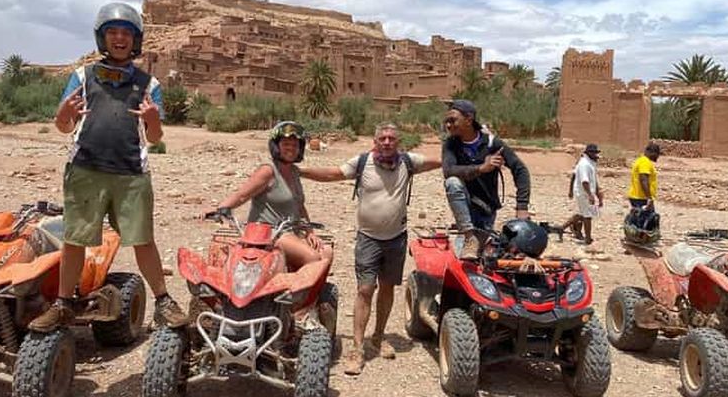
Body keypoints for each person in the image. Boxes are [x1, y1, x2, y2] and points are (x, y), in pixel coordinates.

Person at [30, 2, 187, 332]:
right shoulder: (81, 77)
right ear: (102, 39)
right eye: (112, 33)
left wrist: (153, 120)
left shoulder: (148, 84)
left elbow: (155, 137)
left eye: (126, 33)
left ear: (136, 40)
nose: (119, 39)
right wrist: (61, 117)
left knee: (143, 239)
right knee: (75, 239)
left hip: (131, 174)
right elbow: (64, 125)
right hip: (86, 169)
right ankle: (62, 304)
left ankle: (163, 301)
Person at [299, 123, 441, 376]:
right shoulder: (363, 161)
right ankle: (357, 347)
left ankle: (378, 336)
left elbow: (439, 162)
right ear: (375, 141)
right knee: (365, 289)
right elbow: (333, 173)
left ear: (399, 141)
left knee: (387, 288)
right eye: (382, 138)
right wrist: (299, 171)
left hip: (396, 238)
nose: (387, 142)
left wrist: (472, 156)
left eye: (391, 138)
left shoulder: (408, 162)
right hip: (368, 239)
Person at [200, 121, 332, 273]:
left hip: (293, 231)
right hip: (271, 232)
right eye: (286, 144)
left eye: (295, 145)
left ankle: (309, 294)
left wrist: (309, 232)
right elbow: (242, 194)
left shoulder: (294, 172)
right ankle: (291, 294)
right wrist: (221, 208)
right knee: (312, 258)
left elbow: (299, 206)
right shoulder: (268, 170)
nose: (291, 148)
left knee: (327, 252)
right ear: (276, 146)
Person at [442, 100, 531, 254]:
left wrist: (522, 206)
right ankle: (469, 236)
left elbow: (520, 170)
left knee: (483, 258)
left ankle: (480, 240)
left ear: (469, 120)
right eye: (447, 121)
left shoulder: (492, 143)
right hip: (465, 209)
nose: (448, 125)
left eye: (453, 120)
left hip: (485, 209)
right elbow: (448, 171)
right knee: (452, 182)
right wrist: (481, 168)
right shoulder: (450, 144)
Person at [561, 144, 603, 245]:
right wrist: (590, 195)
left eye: (596, 153)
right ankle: (588, 239)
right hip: (583, 192)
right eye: (594, 153)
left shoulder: (591, 163)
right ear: (588, 153)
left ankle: (562, 227)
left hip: (587, 192)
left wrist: (598, 194)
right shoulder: (584, 164)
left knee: (586, 213)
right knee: (587, 216)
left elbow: (594, 180)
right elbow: (584, 181)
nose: (596, 155)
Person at [628, 142, 661, 210]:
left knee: (639, 219)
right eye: (657, 154)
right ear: (652, 152)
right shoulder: (645, 162)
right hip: (641, 198)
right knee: (649, 219)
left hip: (638, 197)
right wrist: (649, 198)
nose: (658, 156)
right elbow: (643, 180)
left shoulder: (641, 160)